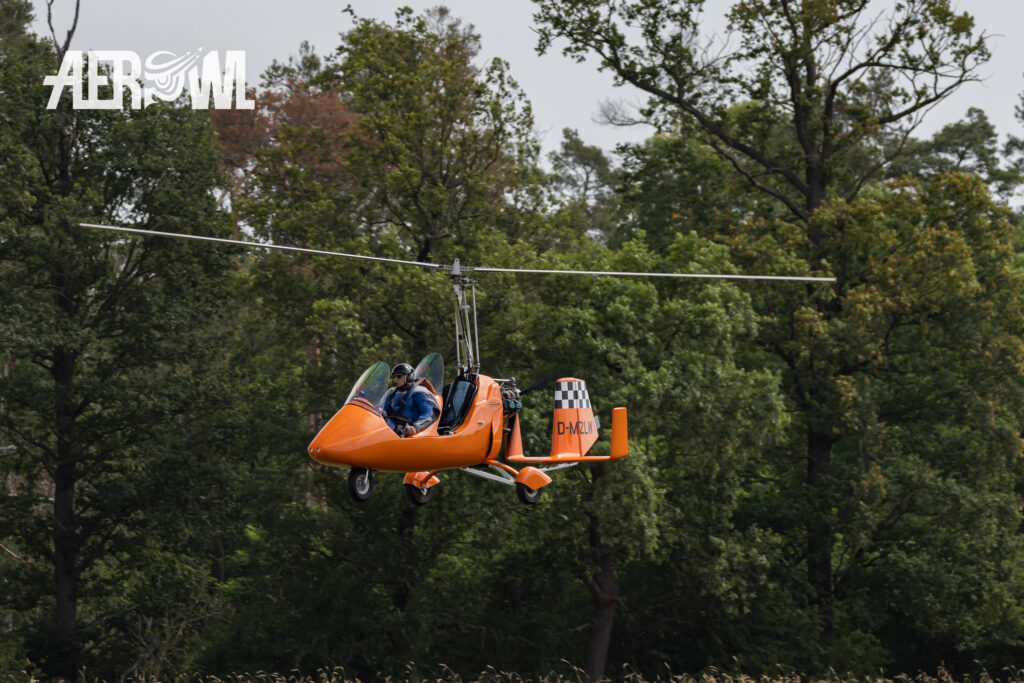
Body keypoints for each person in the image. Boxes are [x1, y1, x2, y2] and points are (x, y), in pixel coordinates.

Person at [380, 362, 439, 436]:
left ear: (409, 377)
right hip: (388, 430)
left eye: (399, 376)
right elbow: (381, 409)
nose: (395, 380)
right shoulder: (391, 392)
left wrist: (415, 427)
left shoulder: (420, 392)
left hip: (407, 434)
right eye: (394, 377)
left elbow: (431, 413)